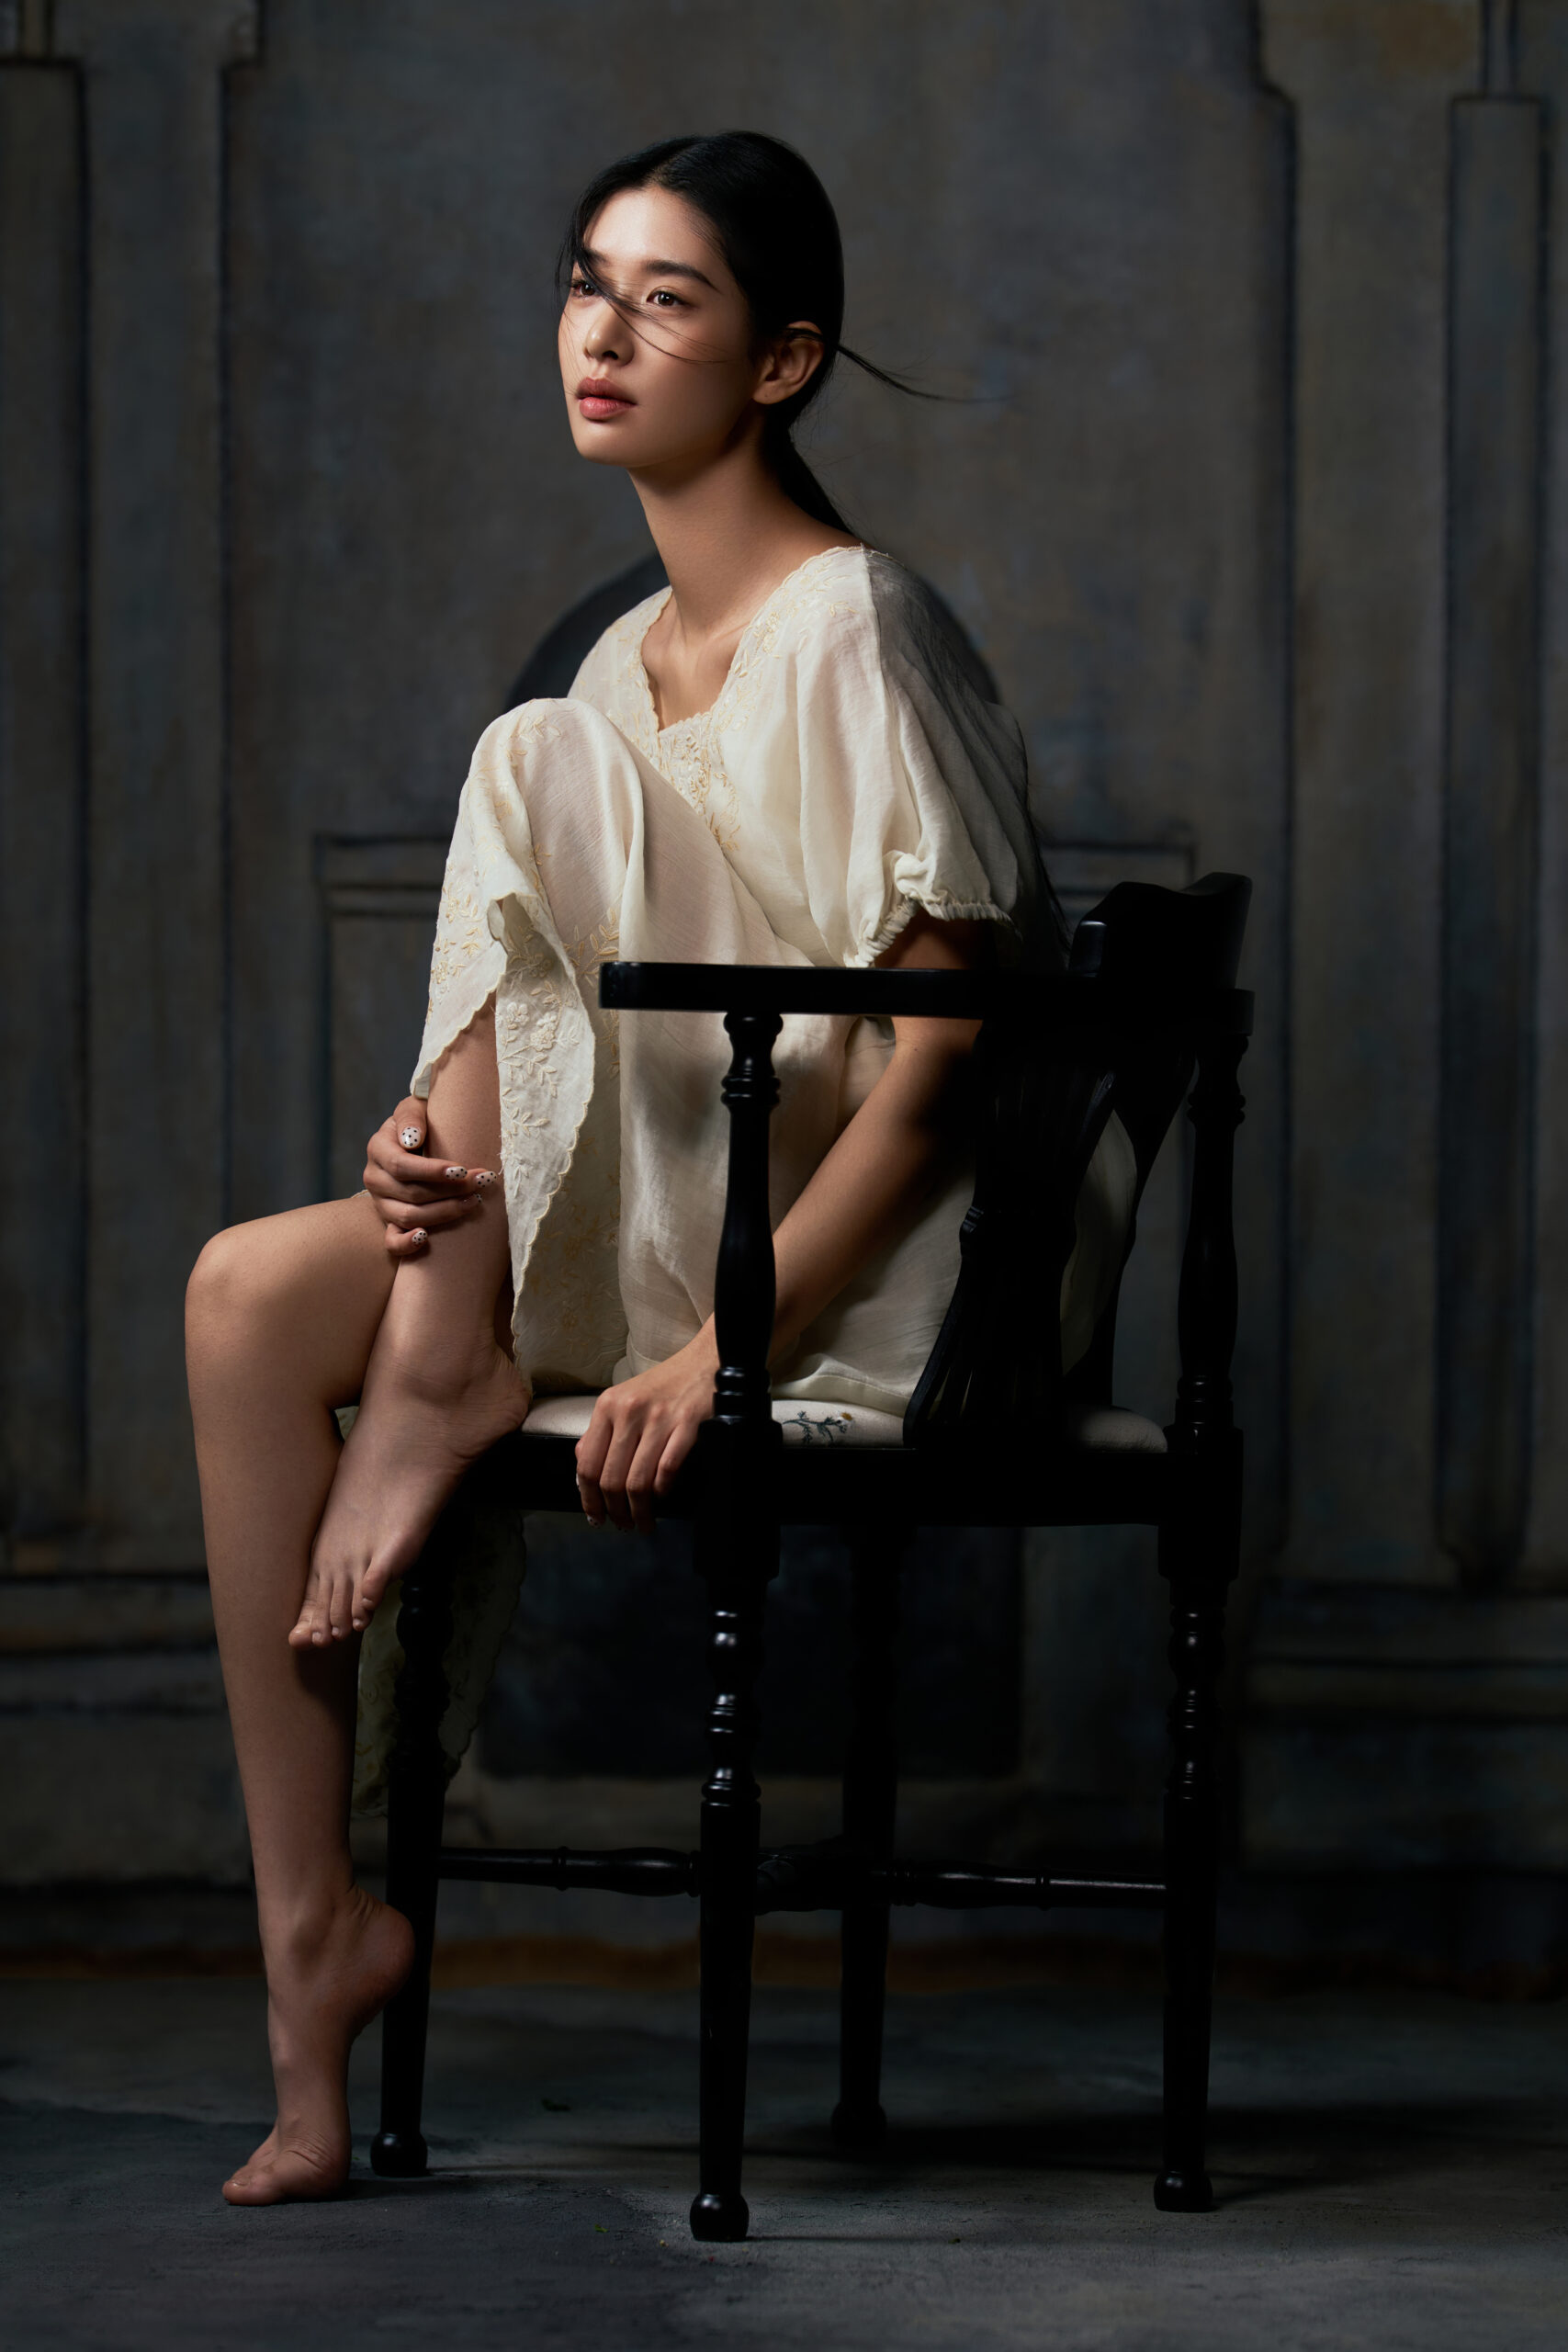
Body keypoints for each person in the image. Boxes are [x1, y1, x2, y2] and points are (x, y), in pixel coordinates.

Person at [184, 130, 1135, 2210]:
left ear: (783, 361)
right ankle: (311, 1951)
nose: (599, 334)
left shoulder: (852, 621)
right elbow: (581, 1025)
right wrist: (432, 1142)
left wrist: (726, 1347)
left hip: (888, 1257)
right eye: (583, 283)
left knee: (527, 752)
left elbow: (939, 1079)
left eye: (666, 298)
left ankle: (437, 1363)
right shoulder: (621, 658)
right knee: (244, 1293)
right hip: (669, 1193)